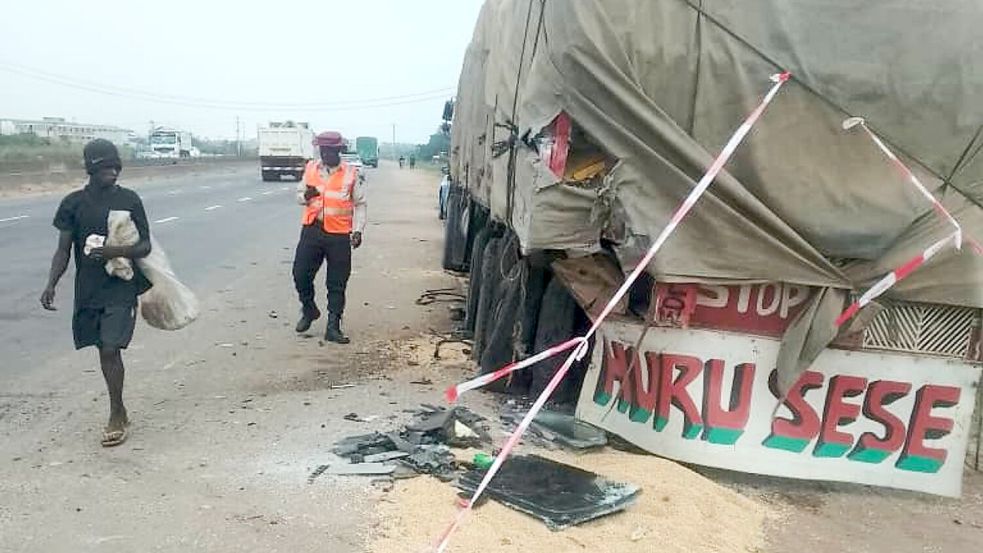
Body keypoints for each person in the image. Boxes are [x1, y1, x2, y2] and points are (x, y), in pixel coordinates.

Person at [40, 139, 152, 447]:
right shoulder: (72, 204)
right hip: (89, 290)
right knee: (101, 347)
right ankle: (120, 407)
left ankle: (116, 412)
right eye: (106, 167)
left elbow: (145, 246)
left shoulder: (129, 199)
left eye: (116, 167)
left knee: (109, 347)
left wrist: (114, 251)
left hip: (121, 286)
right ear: (91, 168)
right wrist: (52, 283)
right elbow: (63, 250)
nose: (113, 172)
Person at [293, 131, 367, 344]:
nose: (326, 154)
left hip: (339, 235)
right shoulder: (311, 169)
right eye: (323, 150)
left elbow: (360, 204)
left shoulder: (351, 174)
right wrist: (305, 196)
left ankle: (333, 326)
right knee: (300, 274)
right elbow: (299, 195)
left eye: (330, 150)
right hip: (312, 230)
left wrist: (358, 230)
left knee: (337, 282)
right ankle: (309, 309)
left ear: (339, 151)